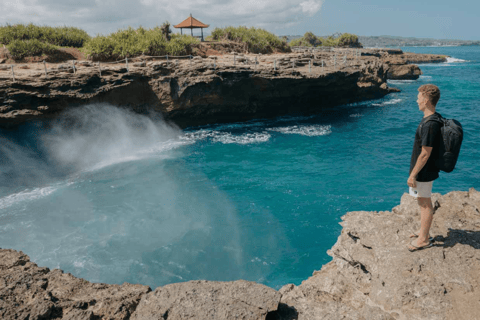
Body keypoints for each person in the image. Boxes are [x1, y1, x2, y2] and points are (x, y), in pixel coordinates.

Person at [407, 84, 443, 252]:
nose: (416, 100)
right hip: (425, 169)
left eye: (419, 97)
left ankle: (423, 239)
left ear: (426, 100)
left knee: (425, 203)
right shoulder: (432, 119)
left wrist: (413, 175)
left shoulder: (429, 124)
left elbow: (425, 153)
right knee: (422, 201)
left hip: (424, 170)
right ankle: (423, 232)